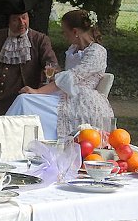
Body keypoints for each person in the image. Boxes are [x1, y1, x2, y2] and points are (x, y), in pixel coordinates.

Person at [20, 9, 114, 138]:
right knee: (24, 100)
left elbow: (72, 77)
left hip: (82, 100)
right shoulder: (73, 50)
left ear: (75, 32)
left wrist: (38, 91)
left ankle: (31, 139)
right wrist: (57, 76)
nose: (63, 35)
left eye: (64, 31)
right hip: (65, 93)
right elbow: (67, 77)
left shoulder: (97, 52)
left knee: (25, 100)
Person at [0, 0, 57, 115]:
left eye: (24, 17)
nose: (22, 23)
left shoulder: (40, 40)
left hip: (24, 102)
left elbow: (51, 66)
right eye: (16, 19)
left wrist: (39, 91)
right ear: (8, 22)